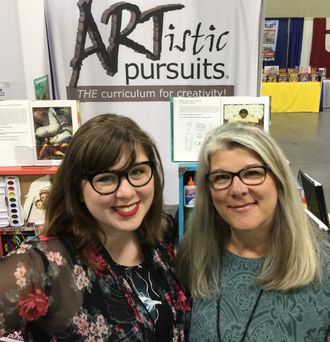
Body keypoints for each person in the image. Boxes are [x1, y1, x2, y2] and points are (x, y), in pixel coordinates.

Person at [0, 113, 190, 341]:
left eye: (137, 171)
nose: (127, 192)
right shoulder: (43, 265)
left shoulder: (161, 232)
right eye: (106, 178)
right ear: (77, 188)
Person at [176, 121, 330, 341]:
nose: (238, 189)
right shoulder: (194, 256)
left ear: (279, 180)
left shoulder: (323, 266)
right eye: (221, 177)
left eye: (252, 173)